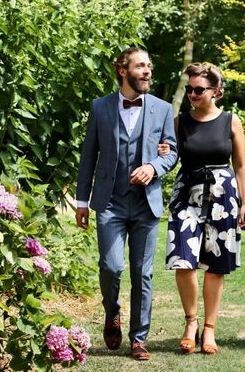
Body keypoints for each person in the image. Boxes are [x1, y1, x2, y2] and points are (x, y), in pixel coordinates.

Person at [76, 47, 178, 361]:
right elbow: (88, 156)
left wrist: (154, 168)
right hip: (110, 202)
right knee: (111, 266)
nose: (147, 71)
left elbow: (171, 152)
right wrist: (82, 201)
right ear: (123, 70)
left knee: (142, 273)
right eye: (140, 66)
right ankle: (112, 311)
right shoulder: (100, 107)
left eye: (149, 65)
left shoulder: (161, 109)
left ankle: (138, 339)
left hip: (146, 205)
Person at [161, 63, 245, 356]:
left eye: (199, 89)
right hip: (186, 193)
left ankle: (209, 329)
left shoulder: (231, 121)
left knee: (215, 265)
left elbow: (240, 165)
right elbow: (171, 158)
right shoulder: (180, 122)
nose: (192, 94)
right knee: (183, 262)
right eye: (189, 89)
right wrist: (163, 151)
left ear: (216, 91)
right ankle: (191, 323)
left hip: (223, 196)